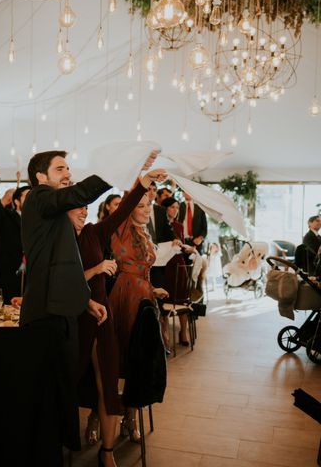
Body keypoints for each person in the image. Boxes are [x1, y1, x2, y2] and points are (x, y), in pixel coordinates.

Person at [20, 150, 137, 460]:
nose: (67, 173)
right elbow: (80, 192)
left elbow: (63, 266)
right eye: (60, 169)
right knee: (47, 396)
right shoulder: (38, 197)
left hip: (62, 313)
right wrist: (120, 165)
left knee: (59, 393)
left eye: (68, 168)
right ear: (41, 178)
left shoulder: (57, 216)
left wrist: (86, 301)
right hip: (44, 314)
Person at [71, 166, 165, 467]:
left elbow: (122, 209)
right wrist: (95, 270)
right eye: (76, 208)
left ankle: (108, 450)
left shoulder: (93, 233)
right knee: (72, 380)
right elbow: (58, 281)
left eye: (85, 207)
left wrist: (144, 180)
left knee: (109, 381)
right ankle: (75, 431)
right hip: (74, 317)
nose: (83, 212)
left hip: (101, 315)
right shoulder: (58, 240)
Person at [108, 185, 170, 451]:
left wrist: (152, 288)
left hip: (145, 298)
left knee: (140, 361)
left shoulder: (145, 233)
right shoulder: (120, 229)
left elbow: (144, 269)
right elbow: (128, 198)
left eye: (148, 205)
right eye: (140, 205)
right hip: (123, 297)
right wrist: (140, 175)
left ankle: (130, 419)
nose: (146, 210)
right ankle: (100, 416)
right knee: (115, 357)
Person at [0, 165, 31, 303]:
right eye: (27, 196)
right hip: (8, 271)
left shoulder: (34, 221)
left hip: (29, 274)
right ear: (17, 201)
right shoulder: (7, 217)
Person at [160, 196, 198, 348]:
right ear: (165, 209)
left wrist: (187, 248)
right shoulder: (160, 225)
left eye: (177, 207)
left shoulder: (179, 226)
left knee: (182, 297)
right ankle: (164, 333)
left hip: (179, 263)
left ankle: (184, 331)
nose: (175, 210)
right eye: (172, 207)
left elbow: (181, 245)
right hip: (164, 264)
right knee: (164, 299)